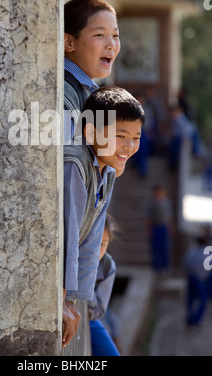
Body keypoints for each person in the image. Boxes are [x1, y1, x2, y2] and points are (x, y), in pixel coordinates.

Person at [62, 86, 145, 347]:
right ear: (90, 132)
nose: (129, 146)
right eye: (120, 135)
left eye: (136, 137)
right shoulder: (75, 166)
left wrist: (74, 299)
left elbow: (91, 242)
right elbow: (68, 237)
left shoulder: (108, 171)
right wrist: (62, 299)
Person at [64, 0, 121, 143]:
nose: (112, 45)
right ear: (69, 42)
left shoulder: (86, 90)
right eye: (99, 35)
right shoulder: (61, 95)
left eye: (115, 35)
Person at [88, 214, 121, 356]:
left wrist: (87, 280)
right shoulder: (74, 259)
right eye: (94, 242)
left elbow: (98, 312)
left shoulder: (108, 267)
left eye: (103, 244)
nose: (97, 250)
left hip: (90, 321)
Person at [183, 234, 211, 325]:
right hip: (200, 279)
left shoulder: (191, 251)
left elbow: (185, 263)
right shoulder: (207, 254)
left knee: (190, 299)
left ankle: (189, 316)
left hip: (191, 277)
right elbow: (207, 268)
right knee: (202, 301)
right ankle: (195, 320)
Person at [146, 185, 174, 274]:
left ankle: (164, 266)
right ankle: (155, 267)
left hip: (164, 227)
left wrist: (171, 228)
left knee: (164, 248)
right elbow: (148, 218)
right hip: (155, 226)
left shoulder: (167, 202)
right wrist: (149, 229)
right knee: (155, 248)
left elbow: (170, 217)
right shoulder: (151, 203)